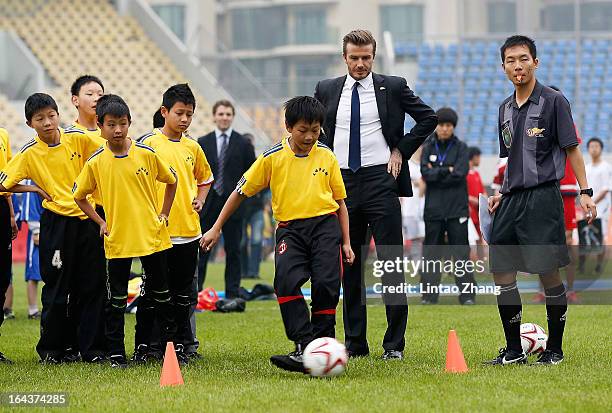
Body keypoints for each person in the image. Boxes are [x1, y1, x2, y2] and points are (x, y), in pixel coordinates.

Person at [201, 96, 354, 373]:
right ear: (288, 126)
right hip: (290, 230)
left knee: (326, 285)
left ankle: (321, 344)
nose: (309, 137)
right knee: (284, 281)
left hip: (325, 226)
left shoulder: (327, 156)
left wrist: (346, 242)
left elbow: (341, 202)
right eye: (303, 130)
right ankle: (304, 343)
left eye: (315, 130)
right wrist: (216, 227)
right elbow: (239, 192)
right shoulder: (272, 158)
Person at [314, 29, 437, 360]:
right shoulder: (326, 89)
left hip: (381, 179)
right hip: (341, 184)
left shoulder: (393, 86)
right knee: (350, 265)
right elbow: (314, 131)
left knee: (391, 263)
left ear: (374, 55)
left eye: (366, 57)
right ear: (344, 57)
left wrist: (402, 149)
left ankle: (394, 344)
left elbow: (429, 118)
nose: (360, 64)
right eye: (354, 58)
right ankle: (355, 344)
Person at [487, 35, 596, 365]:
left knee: (548, 273)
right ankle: (513, 351)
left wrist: (585, 192)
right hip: (510, 200)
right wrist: (500, 193)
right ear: (503, 66)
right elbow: (510, 158)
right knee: (501, 270)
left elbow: (572, 149)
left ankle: (555, 350)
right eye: (510, 60)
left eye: (523, 59)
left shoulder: (553, 102)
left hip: (542, 198)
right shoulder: (504, 109)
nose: (517, 66)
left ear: (535, 62)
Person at [72, 94, 179, 368]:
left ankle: (165, 350)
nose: (118, 130)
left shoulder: (146, 154)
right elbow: (79, 196)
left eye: (122, 123)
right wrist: (101, 222)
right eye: (111, 124)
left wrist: (164, 213)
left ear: (130, 122)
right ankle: (117, 353)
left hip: (153, 238)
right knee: (116, 301)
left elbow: (171, 181)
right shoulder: (96, 162)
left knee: (162, 297)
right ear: (100, 125)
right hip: (117, 239)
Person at [0, 93, 107, 364]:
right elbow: (3, 185)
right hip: (57, 224)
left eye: (51, 116)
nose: (47, 122)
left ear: (59, 115)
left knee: (92, 286)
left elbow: (109, 148)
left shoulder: (78, 137)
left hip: (87, 219)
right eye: (40, 119)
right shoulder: (28, 153)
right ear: (29, 123)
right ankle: (53, 351)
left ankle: (92, 350)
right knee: (57, 289)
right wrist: (33, 187)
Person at [137, 84, 213, 362]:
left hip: (188, 231)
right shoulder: (147, 143)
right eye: (179, 113)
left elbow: (205, 179)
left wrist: (200, 200)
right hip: (156, 233)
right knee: (154, 293)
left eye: (189, 115)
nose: (184, 119)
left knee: (184, 295)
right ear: (164, 112)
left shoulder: (193, 146)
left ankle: (180, 346)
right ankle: (148, 346)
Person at [197, 100, 256, 297]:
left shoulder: (244, 144)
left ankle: (232, 293)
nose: (224, 118)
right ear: (214, 116)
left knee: (234, 251)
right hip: (208, 205)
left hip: (235, 208)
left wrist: (247, 206)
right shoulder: (202, 142)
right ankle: (196, 292)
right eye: (221, 114)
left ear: (233, 117)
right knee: (202, 249)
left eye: (228, 114)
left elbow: (253, 175)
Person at [420, 107, 476, 305]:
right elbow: (425, 174)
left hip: (456, 210)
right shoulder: (428, 147)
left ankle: (467, 295)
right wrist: (446, 170)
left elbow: (459, 173)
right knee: (431, 254)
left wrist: (437, 171)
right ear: (436, 127)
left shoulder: (461, 148)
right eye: (441, 125)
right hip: (434, 211)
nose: (444, 129)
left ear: (453, 127)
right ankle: (429, 296)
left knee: (461, 253)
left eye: (448, 125)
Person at [0, 127, 18, 362]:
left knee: (2, 279)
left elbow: (7, 180)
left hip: (1, 210)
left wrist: (12, 215)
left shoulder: (4, 134)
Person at [583, 137, 611, 274]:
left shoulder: (606, 167)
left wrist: (593, 203)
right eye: (591, 146)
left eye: (596, 146)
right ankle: (583, 265)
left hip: (601, 208)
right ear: (588, 149)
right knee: (586, 236)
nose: (594, 149)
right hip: (587, 208)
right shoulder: (586, 168)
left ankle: (599, 264)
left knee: (600, 237)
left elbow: (606, 189)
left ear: (601, 149)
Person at [240, 133, 265, 280]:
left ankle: (253, 272)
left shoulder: (259, 163)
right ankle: (245, 271)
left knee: (256, 240)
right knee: (243, 241)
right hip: (243, 208)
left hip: (256, 207)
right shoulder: (238, 164)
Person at [20, 179, 43, 319]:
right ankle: (33, 310)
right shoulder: (31, 181)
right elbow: (29, 205)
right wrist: (36, 230)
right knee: (34, 270)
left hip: (52, 227)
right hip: (38, 229)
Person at [466, 146, 487, 257]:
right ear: (473, 157)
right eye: (478, 157)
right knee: (470, 238)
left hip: (478, 210)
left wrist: (484, 200)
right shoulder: (464, 174)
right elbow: (463, 193)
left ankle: (481, 262)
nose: (479, 160)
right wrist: (473, 200)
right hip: (469, 211)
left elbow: (483, 190)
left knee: (480, 236)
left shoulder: (476, 174)